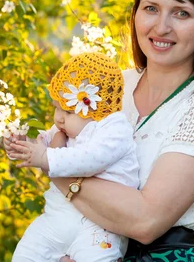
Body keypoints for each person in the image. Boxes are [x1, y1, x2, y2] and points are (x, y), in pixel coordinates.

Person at [13, 0, 194, 261]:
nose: (161, 27)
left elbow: (146, 220)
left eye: (181, 13)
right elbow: (59, 139)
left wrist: (52, 165)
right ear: (135, 14)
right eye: (151, 8)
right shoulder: (110, 88)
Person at [7, 52, 140, 262]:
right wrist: (23, 143)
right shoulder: (65, 129)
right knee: (25, 254)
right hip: (56, 218)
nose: (57, 118)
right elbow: (42, 144)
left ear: (95, 109)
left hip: (99, 226)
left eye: (67, 112)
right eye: (56, 108)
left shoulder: (115, 129)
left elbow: (90, 160)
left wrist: (45, 158)